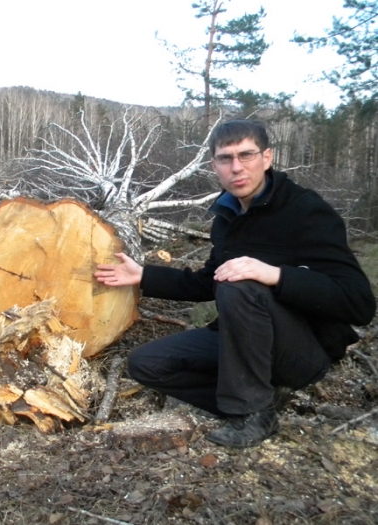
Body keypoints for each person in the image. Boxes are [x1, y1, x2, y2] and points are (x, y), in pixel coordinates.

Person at [94, 119, 376, 449]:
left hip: (304, 351)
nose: (237, 168)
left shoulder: (305, 211)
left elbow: (359, 303)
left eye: (247, 155)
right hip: (246, 340)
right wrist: (144, 275)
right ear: (214, 165)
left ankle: (252, 412)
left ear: (267, 158)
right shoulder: (228, 215)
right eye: (226, 159)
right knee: (148, 364)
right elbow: (207, 282)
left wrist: (276, 275)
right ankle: (261, 402)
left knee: (240, 284)